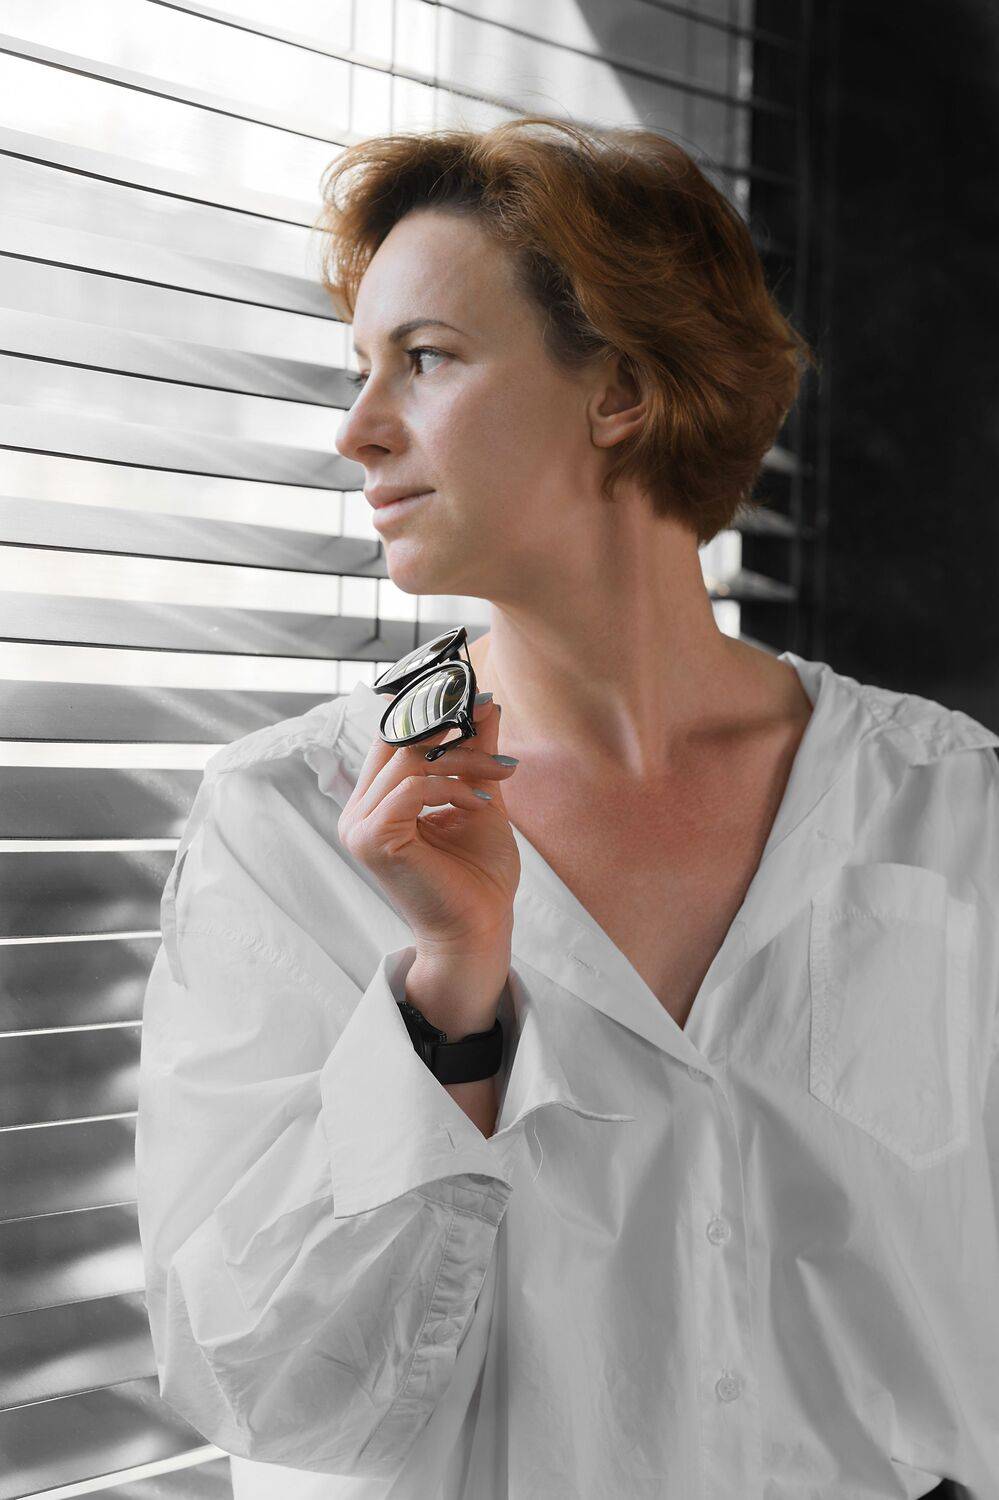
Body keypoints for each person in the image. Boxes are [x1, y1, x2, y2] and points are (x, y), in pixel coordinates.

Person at [135, 117, 999, 1499]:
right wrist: (447, 1005)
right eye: (362, 371)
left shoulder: (950, 806)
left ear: (621, 391)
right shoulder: (285, 823)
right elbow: (264, 1387)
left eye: (425, 359)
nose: (358, 430)